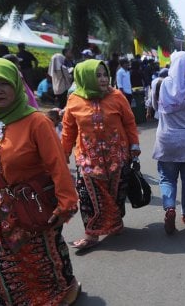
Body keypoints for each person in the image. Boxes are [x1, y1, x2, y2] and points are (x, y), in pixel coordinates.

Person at [0, 58, 80, 305]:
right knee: (3, 267)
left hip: (30, 207)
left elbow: (57, 165)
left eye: (4, 83)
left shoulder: (36, 121)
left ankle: (55, 295)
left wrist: (66, 203)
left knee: (39, 261)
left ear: (17, 85)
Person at [62, 59, 139, 250]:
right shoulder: (74, 100)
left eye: (105, 74)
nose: (103, 79)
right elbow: (68, 130)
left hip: (117, 157)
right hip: (87, 160)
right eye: (97, 75)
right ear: (85, 77)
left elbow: (129, 122)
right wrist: (63, 154)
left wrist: (134, 146)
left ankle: (114, 223)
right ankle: (91, 234)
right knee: (88, 197)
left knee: (116, 195)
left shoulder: (117, 96)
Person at [151, 51, 185, 234]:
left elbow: (154, 107)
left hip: (167, 140)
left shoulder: (158, 84)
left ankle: (170, 207)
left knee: (167, 177)